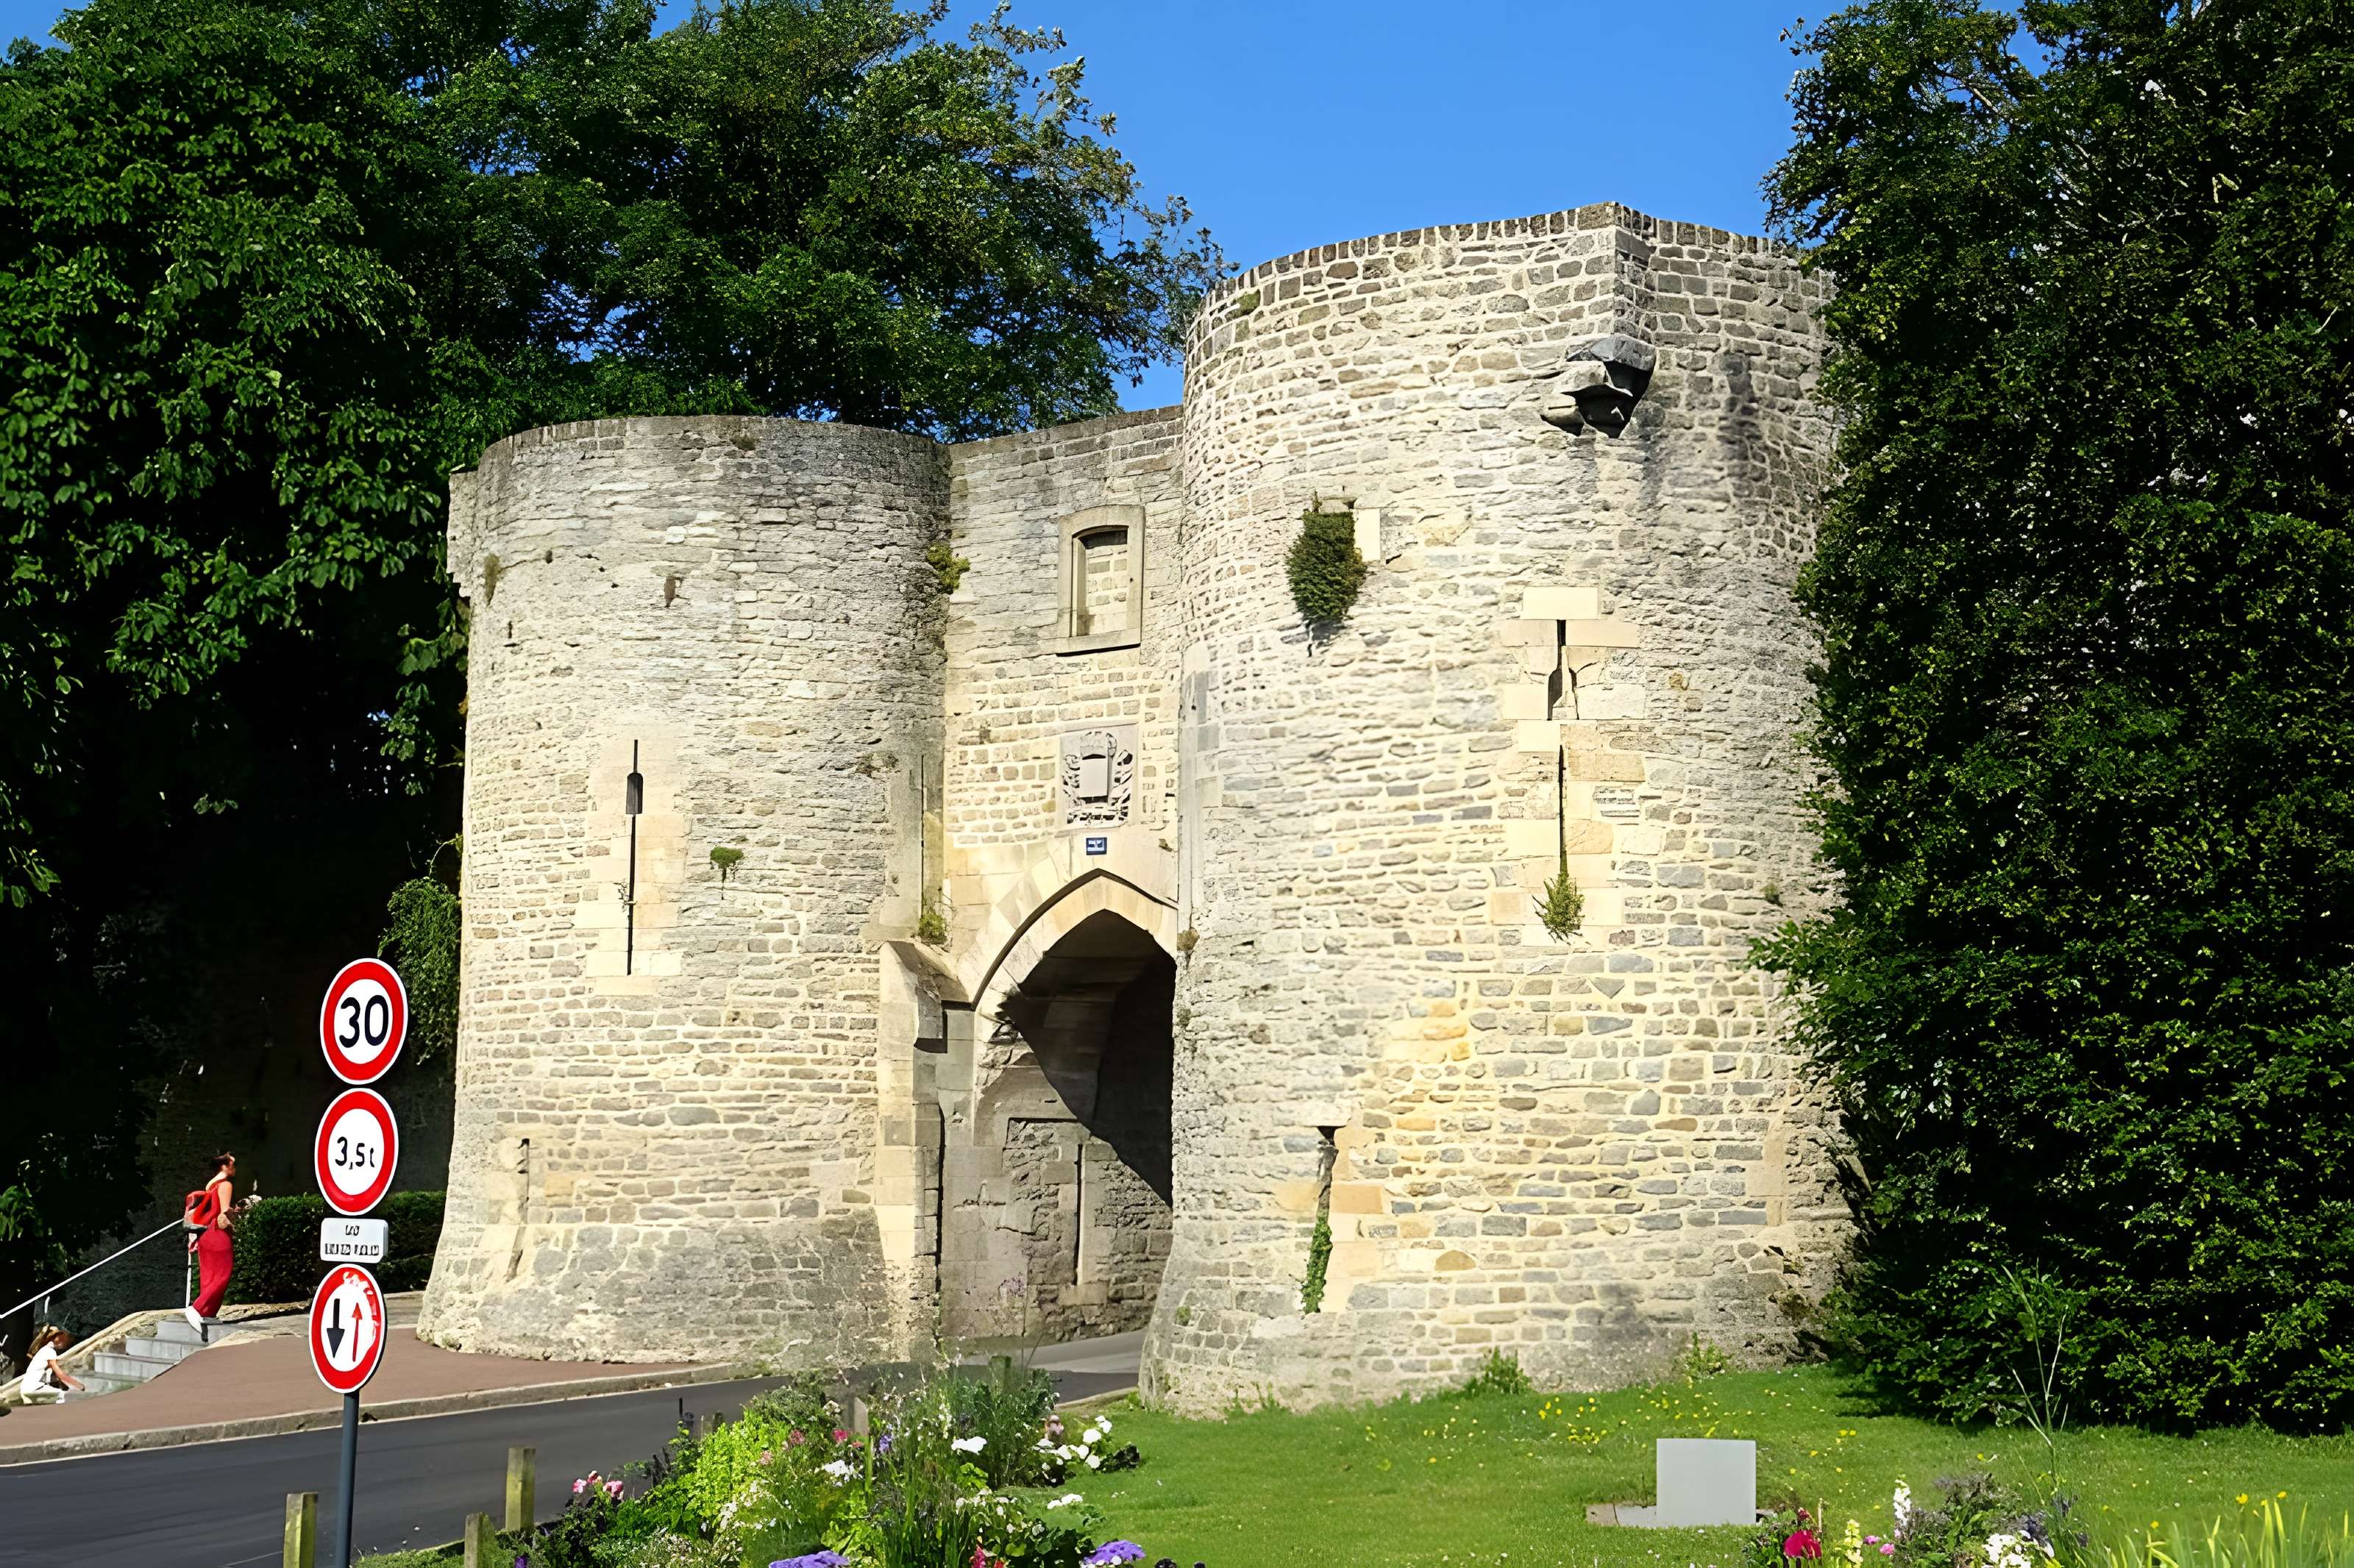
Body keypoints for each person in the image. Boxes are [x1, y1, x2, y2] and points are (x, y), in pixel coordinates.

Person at [184, 1152, 239, 1333]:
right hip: (218, 1234)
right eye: (232, 1164)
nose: (234, 1168)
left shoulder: (211, 1185)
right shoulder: (226, 1185)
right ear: (224, 1166)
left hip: (205, 1234)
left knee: (210, 1275)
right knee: (223, 1273)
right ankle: (197, 1309)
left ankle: (208, 1314)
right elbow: (224, 1214)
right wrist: (240, 1214)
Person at [18, 1325, 85, 1401]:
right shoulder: (49, 1352)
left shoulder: (44, 1351)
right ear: (51, 1339)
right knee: (66, 1397)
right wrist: (78, 1386)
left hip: (28, 1390)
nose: (63, 1339)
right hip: (35, 1390)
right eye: (60, 1336)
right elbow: (60, 1375)